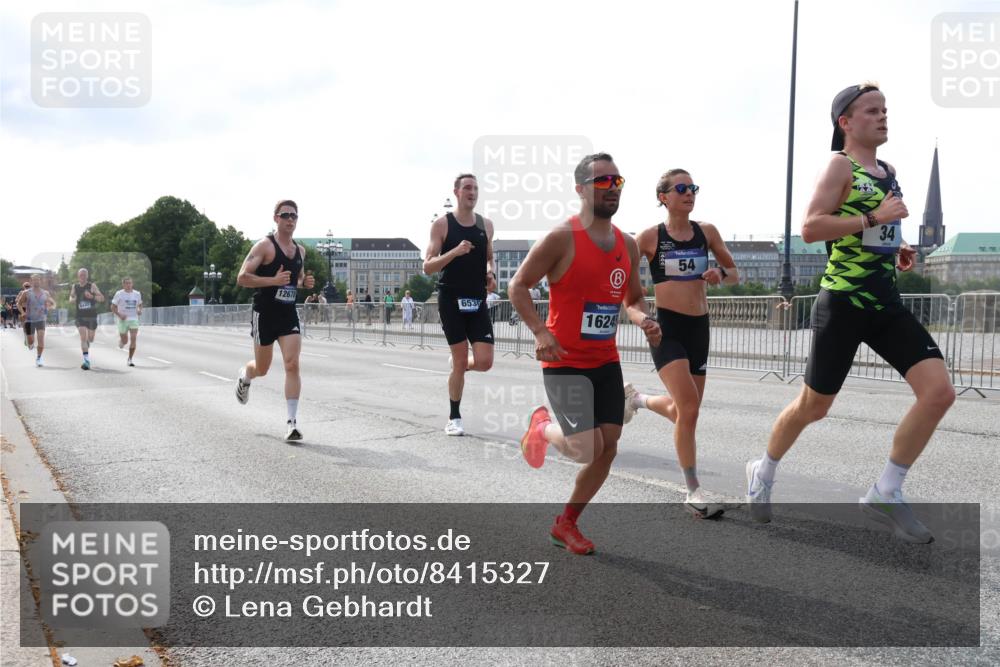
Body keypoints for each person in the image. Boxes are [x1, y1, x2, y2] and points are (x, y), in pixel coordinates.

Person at [746, 83, 955, 543]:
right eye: (871, 110)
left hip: (886, 304)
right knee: (813, 407)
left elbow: (874, 230)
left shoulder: (889, 171)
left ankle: (887, 490)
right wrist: (873, 220)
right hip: (842, 303)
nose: (883, 117)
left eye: (885, 110)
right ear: (845, 122)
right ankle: (763, 470)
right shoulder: (839, 164)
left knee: (939, 392)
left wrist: (896, 246)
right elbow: (810, 227)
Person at [511, 152, 661, 555]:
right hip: (564, 360)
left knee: (608, 446)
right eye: (602, 182)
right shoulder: (562, 237)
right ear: (580, 189)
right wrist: (541, 331)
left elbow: (632, 298)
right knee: (585, 449)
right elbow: (518, 285)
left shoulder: (627, 245)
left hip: (605, 360)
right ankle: (540, 428)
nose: (612, 189)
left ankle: (566, 523)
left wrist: (642, 318)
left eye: (617, 182)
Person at [628, 169, 740, 518]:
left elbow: (733, 272)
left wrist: (718, 274)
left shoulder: (707, 232)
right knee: (688, 407)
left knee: (684, 412)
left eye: (693, 188)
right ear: (663, 196)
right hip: (667, 330)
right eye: (681, 188)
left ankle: (637, 399)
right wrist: (642, 320)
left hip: (699, 329)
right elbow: (628, 298)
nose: (689, 193)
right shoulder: (647, 238)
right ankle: (693, 491)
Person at [234, 200, 316, 441]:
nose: (290, 219)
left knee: (292, 364)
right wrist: (272, 281)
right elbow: (242, 277)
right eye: (285, 215)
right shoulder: (264, 246)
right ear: (276, 218)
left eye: (294, 216)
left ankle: (292, 423)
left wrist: (304, 283)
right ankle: (246, 375)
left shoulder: (300, 251)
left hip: (288, 312)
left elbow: (296, 279)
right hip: (265, 313)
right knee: (262, 368)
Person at [423, 173, 497, 436]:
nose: (472, 192)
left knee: (486, 361)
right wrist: (455, 252)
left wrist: (491, 273)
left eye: (476, 188)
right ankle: (454, 417)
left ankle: (462, 363)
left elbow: (489, 257)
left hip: (476, 298)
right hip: (451, 298)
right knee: (457, 360)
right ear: (456, 192)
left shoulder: (486, 225)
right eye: (467, 187)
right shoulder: (442, 225)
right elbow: (428, 266)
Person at [68, 268, 104, 370]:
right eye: (81, 275)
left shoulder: (92, 286)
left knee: (91, 339)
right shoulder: (75, 286)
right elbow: (70, 298)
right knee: (83, 337)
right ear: (78, 276)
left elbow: (102, 298)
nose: (82, 277)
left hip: (91, 316)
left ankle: (88, 341)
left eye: (84, 275)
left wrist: (92, 296)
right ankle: (86, 361)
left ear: (87, 276)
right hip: (80, 316)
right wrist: (73, 299)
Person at [16, 275, 55, 367]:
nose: (36, 282)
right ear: (31, 281)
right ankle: (28, 340)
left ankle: (39, 358)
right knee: (31, 342)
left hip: (41, 319)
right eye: (34, 280)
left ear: (40, 281)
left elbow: (52, 303)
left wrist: (47, 308)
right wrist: (22, 312)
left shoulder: (45, 293)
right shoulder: (26, 292)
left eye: (38, 280)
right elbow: (18, 303)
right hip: (29, 319)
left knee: (41, 340)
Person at [111, 276, 143, 367]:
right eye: (127, 283)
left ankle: (130, 359)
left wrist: (140, 310)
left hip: (133, 319)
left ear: (132, 284)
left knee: (133, 338)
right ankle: (122, 341)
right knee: (125, 341)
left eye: (130, 283)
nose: (129, 285)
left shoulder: (137, 294)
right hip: (123, 320)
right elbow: (112, 307)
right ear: (123, 284)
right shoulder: (119, 294)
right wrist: (119, 315)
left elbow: (140, 304)